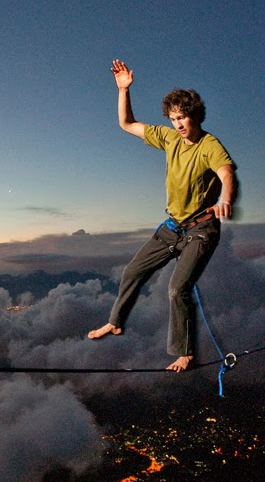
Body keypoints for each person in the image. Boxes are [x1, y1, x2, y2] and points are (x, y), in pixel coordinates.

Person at [87, 60, 238, 372]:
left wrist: (225, 198)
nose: (178, 124)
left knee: (177, 289)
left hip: (201, 229)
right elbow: (127, 124)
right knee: (132, 271)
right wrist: (123, 90)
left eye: (182, 117)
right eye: (173, 119)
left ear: (195, 115)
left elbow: (226, 172)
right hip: (173, 227)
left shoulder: (209, 145)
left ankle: (185, 352)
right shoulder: (169, 138)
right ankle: (115, 322)